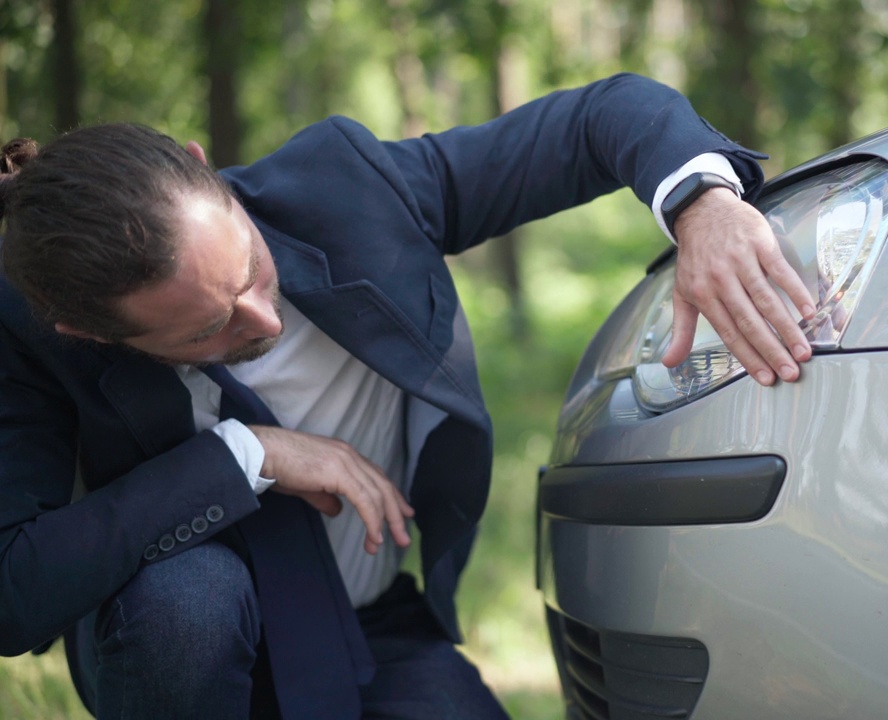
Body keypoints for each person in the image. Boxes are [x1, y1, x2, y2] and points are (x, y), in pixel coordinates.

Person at [0, 73, 814, 719]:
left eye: (248, 267)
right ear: (90, 333)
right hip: (176, 658)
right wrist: (246, 455)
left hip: (374, 632)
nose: (261, 314)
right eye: (205, 330)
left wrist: (703, 206)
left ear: (203, 167)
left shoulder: (351, 189)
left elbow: (597, 120)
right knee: (189, 598)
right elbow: (13, 590)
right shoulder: (31, 335)